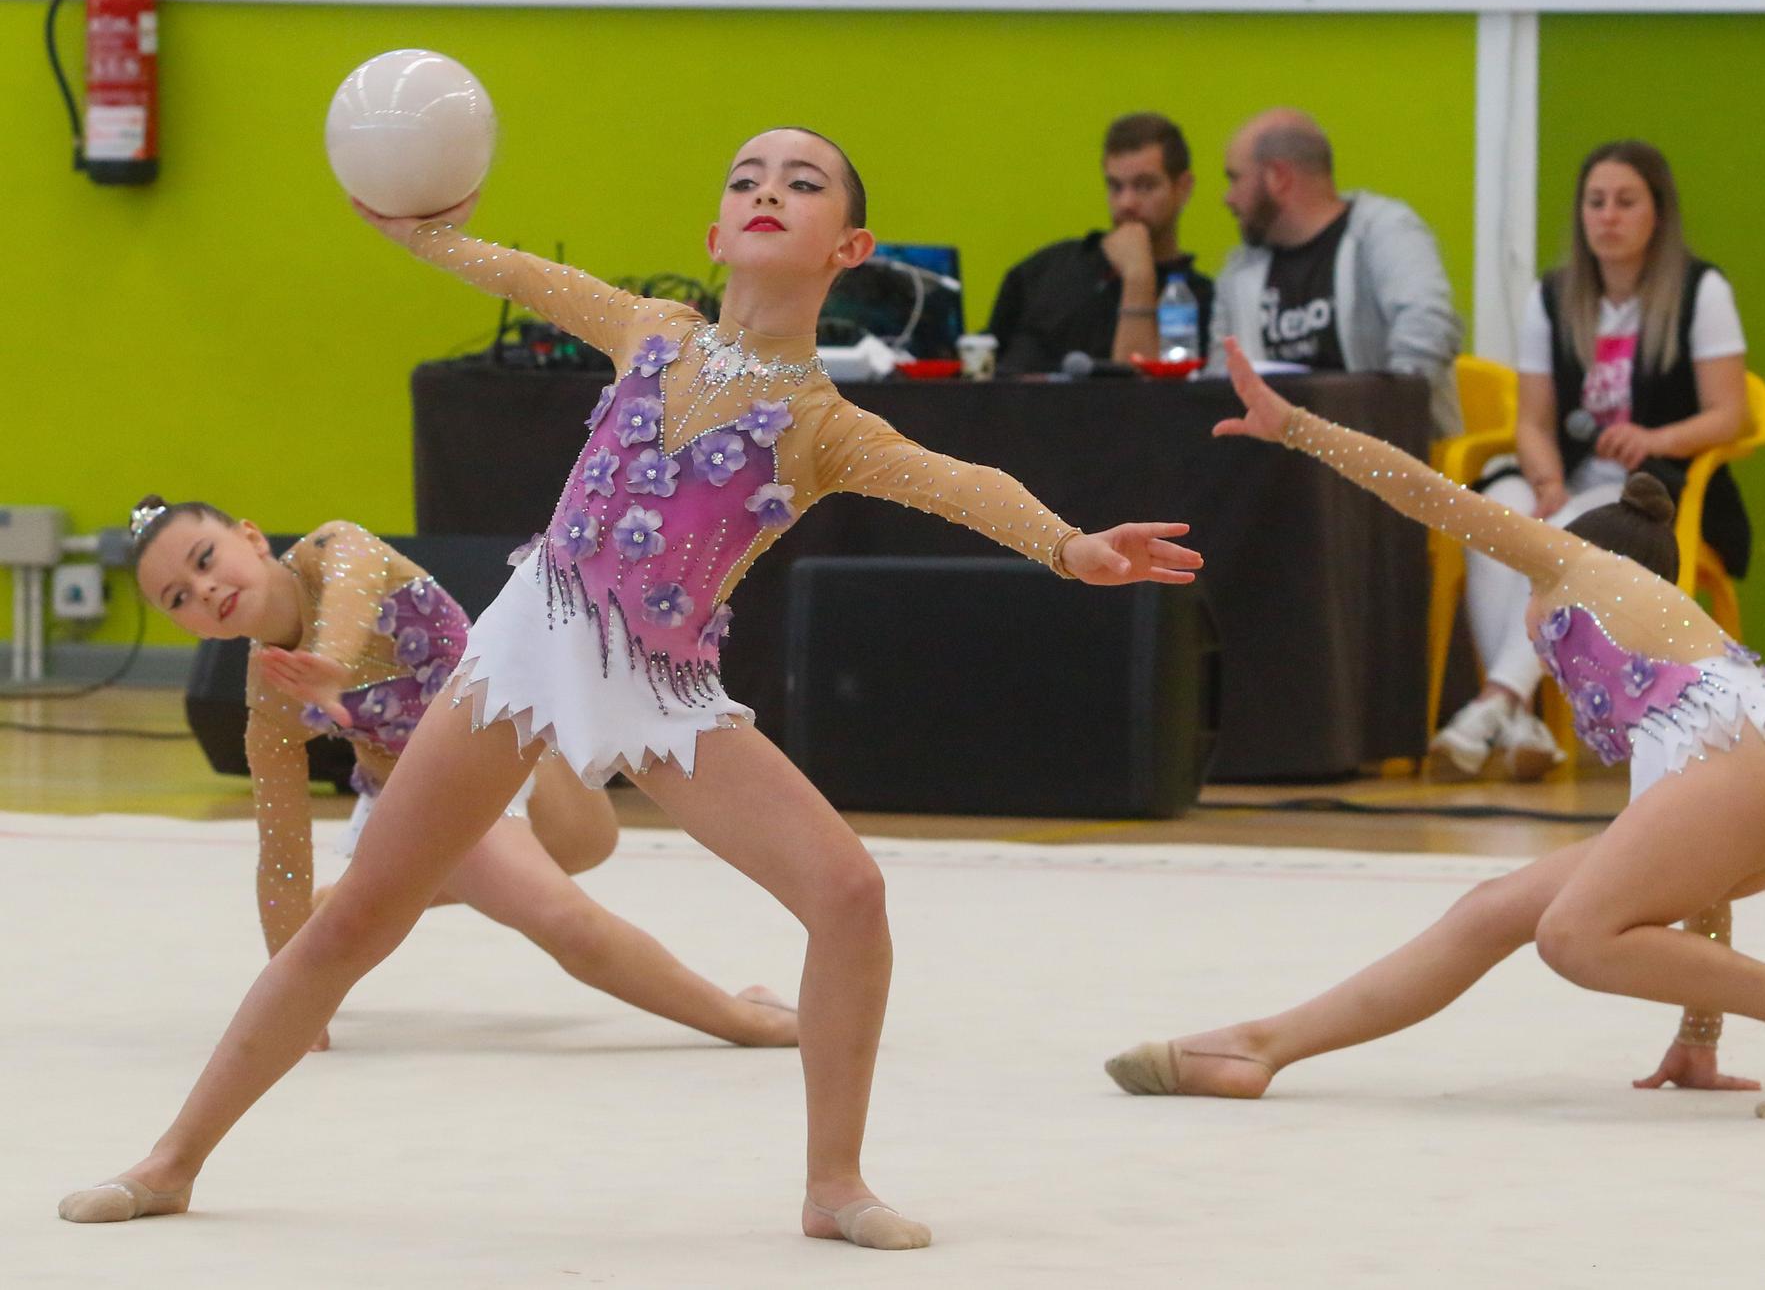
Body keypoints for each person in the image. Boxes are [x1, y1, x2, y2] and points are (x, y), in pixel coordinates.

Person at [59, 126, 1201, 1250]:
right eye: (745, 175)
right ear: (713, 231)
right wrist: (423, 235)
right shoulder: (653, 329)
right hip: (534, 637)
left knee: (849, 893)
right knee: (360, 913)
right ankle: (170, 1162)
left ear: (847, 249)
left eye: (801, 184)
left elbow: (959, 481)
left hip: (663, 681)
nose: (767, 190)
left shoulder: (825, 424)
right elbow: (522, 275)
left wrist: (1068, 546)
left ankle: (833, 1182)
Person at [1104, 336, 1765, 1127]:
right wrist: (1698, 1035)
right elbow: (1703, 867)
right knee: (1493, 907)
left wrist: (1298, 425)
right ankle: (1257, 1044)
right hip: (1760, 780)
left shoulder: (1573, 563)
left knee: (1574, 935)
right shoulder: (1667, 655)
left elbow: (1427, 493)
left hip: (1741, 763)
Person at [126, 498, 797, 1054]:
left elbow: (351, 604)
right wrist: (299, 1002)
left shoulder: (337, 546)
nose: (205, 588)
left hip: (514, 721)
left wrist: (329, 661)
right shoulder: (270, 702)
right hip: (430, 787)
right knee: (566, 921)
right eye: (178, 596)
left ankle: (350, 902)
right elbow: (280, 858)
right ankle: (740, 1017)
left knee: (587, 842)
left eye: (205, 559)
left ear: (250, 536)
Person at [1432, 140, 1752, 781]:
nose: (1607, 216)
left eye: (1625, 202)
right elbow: (1533, 419)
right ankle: (1518, 719)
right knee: (1499, 515)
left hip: (1651, 491)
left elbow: (1730, 414)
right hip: (1567, 478)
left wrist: (1655, 439)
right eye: (1595, 202)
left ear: (1656, 213)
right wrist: (1545, 477)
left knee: (1565, 539)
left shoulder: (1700, 290)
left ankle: (1494, 701)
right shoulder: (1552, 297)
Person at [1205, 108, 1463, 438]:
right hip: (1277, 459)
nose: (1229, 198)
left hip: (1384, 454)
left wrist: (1371, 432)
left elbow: (1428, 332)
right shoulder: (1239, 271)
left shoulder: (1385, 232)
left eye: (1235, 178)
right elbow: (1220, 378)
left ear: (1278, 177)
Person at [987, 112, 1214, 371]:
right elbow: (980, 362)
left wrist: (1138, 278)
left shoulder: (1198, 299)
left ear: (1183, 188)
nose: (1126, 203)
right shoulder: (1045, 270)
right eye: (1116, 187)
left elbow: (1140, 401)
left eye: (1145, 186)